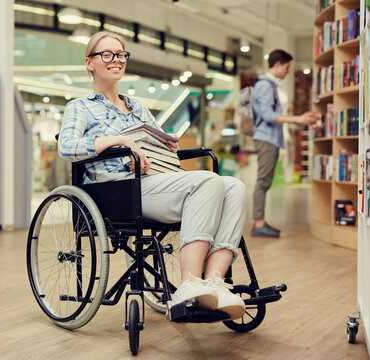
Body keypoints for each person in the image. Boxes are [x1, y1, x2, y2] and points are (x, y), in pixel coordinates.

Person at [58, 31, 247, 320]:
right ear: (90, 63)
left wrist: (164, 142)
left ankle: (214, 282)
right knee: (207, 180)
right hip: (118, 191)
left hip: (153, 180)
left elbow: (153, 144)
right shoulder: (80, 107)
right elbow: (67, 146)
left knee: (234, 186)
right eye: (107, 54)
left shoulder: (138, 107)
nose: (116, 60)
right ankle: (189, 283)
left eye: (121, 54)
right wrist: (118, 141)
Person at [251, 50, 318, 238]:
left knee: (264, 180)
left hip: (268, 138)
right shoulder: (265, 86)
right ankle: (258, 223)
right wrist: (298, 119)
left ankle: (260, 222)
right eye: (287, 67)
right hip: (266, 138)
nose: (288, 71)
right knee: (263, 181)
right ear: (278, 64)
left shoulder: (268, 85)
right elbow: (268, 116)